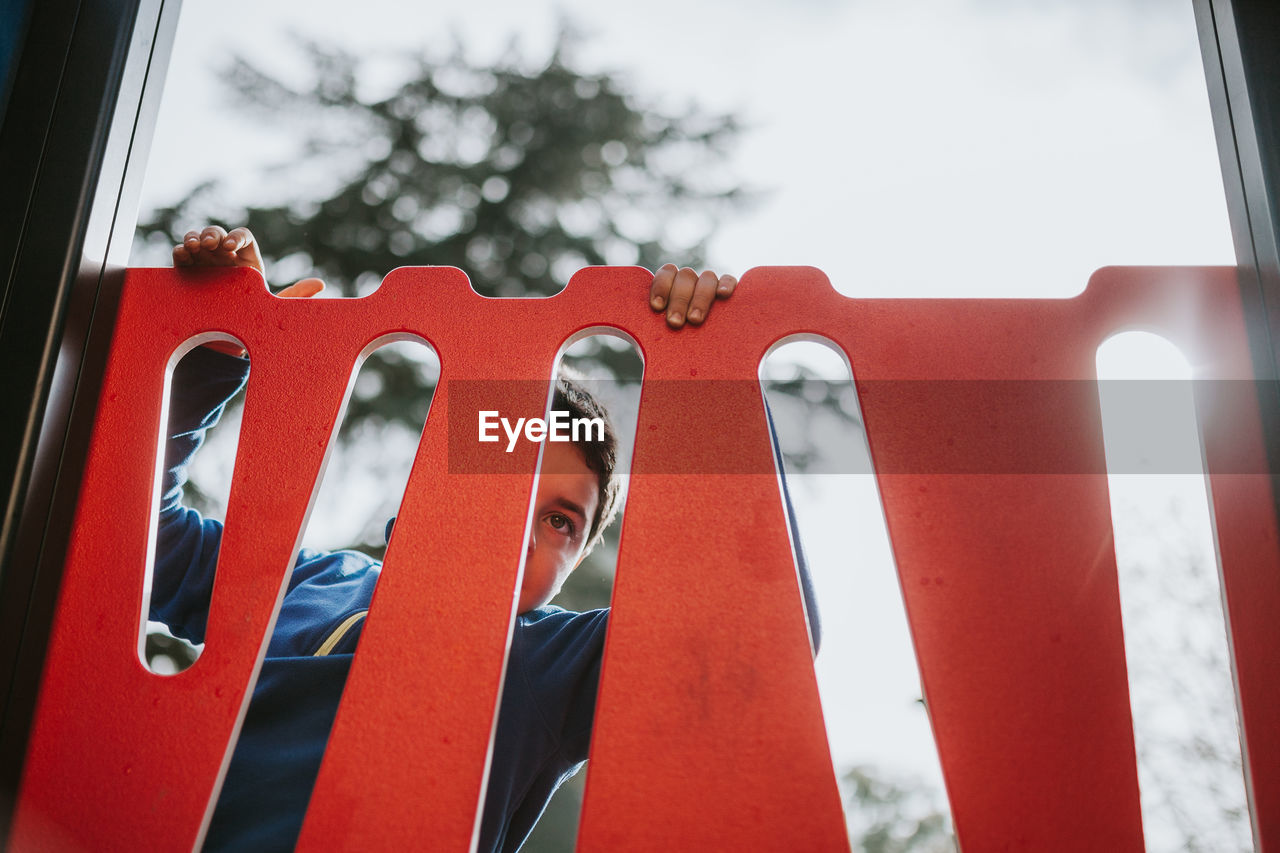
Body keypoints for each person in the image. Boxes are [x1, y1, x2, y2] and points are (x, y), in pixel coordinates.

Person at [157, 225, 816, 852]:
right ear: (416, 500)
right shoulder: (313, 582)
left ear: (574, 563)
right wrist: (210, 357)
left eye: (561, 521)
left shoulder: (544, 662)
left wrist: (719, 383)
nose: (519, 526)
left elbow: (765, 633)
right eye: (503, 485)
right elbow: (144, 547)